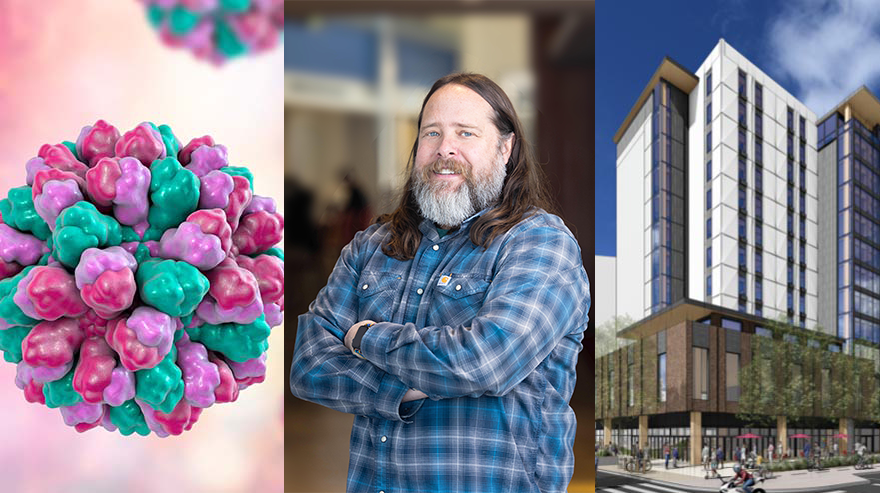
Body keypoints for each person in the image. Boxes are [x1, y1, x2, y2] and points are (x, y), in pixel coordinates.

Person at [289, 73, 591, 493]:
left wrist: (364, 338)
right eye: (431, 132)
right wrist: (405, 390)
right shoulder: (371, 246)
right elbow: (309, 365)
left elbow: (484, 362)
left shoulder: (540, 243)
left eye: (465, 132)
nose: (445, 148)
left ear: (505, 148)